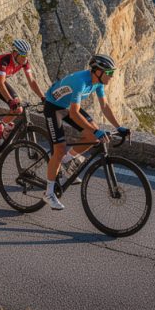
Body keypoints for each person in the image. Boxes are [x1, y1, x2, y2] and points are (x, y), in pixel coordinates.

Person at [41, 53, 129, 210]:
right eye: (109, 73)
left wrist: (118, 126)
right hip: (54, 107)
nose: (112, 76)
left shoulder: (98, 83)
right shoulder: (81, 82)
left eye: (112, 73)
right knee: (59, 150)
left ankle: (67, 161)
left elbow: (105, 107)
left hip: (68, 107)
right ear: (98, 71)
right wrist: (96, 131)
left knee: (94, 138)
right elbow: (75, 113)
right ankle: (48, 193)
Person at [0, 39, 47, 164]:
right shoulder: (4, 62)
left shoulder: (24, 62)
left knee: (18, 109)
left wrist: (43, 97)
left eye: (27, 56)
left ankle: (2, 125)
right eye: (23, 55)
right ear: (15, 53)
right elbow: (0, 84)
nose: (26, 59)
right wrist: (10, 101)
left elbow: (32, 81)